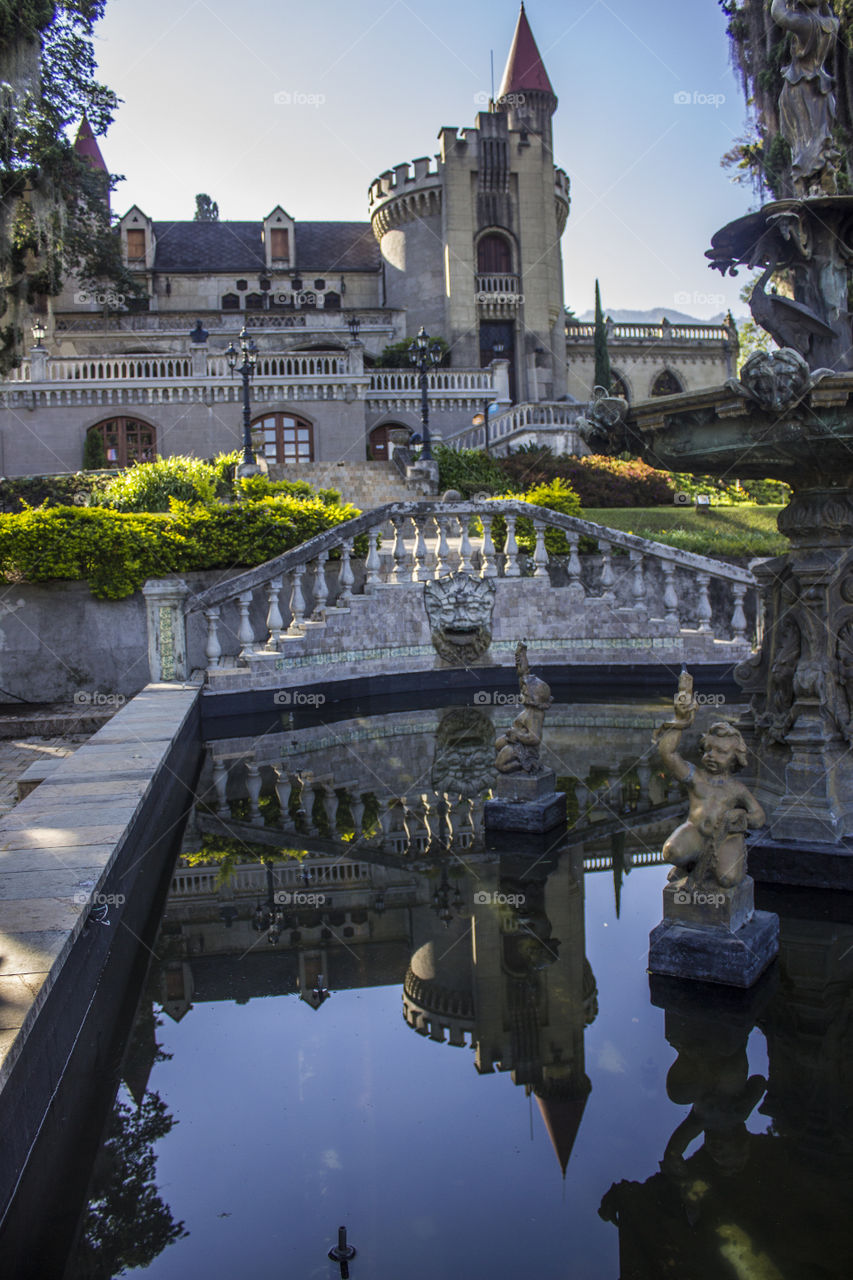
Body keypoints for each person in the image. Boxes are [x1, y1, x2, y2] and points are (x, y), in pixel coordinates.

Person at [654, 673, 765, 889]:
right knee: (670, 851)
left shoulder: (737, 789)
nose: (712, 756)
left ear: (735, 758)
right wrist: (680, 720)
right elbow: (668, 754)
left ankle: (727, 859)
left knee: (728, 880)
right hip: (695, 832)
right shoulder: (696, 778)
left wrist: (741, 817)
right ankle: (691, 862)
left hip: (725, 837)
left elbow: (759, 817)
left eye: (721, 752)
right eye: (708, 750)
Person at [771, 0, 841, 196]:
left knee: (806, 142)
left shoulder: (807, 24)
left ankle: (809, 185)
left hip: (800, 88)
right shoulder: (832, 25)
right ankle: (821, 179)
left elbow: (778, 13)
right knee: (819, 136)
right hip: (822, 91)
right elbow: (826, 11)